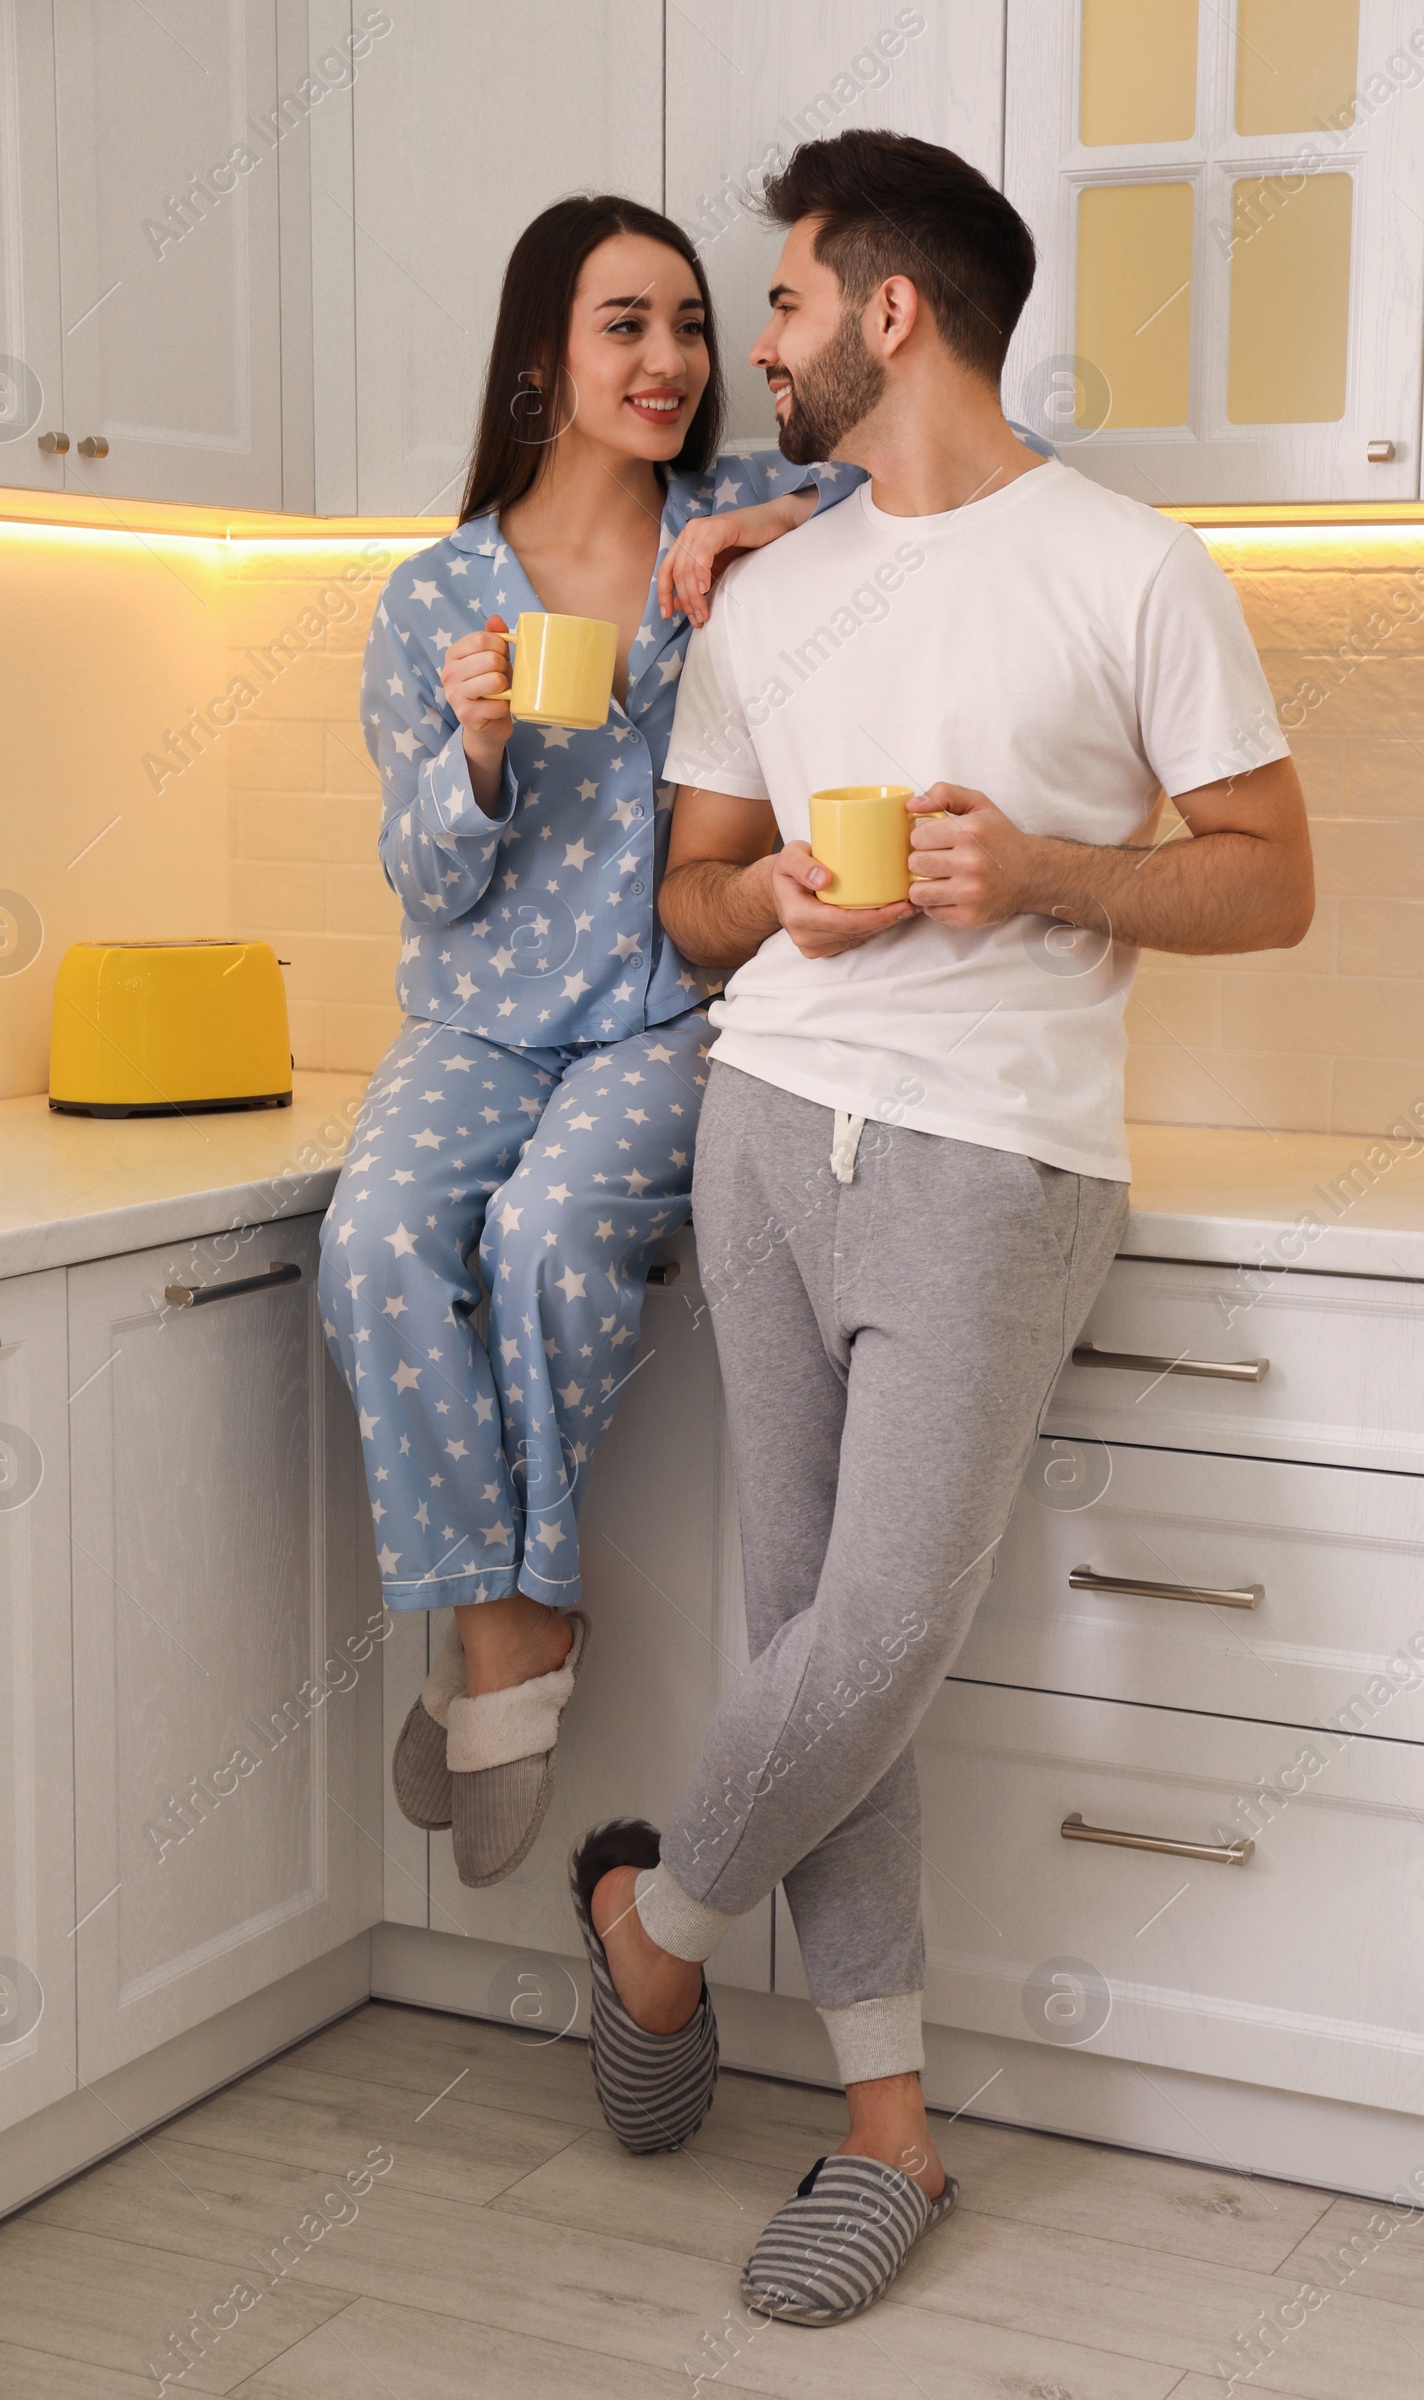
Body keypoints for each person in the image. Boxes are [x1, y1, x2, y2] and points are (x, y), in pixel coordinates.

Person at [568, 129, 1315, 2323]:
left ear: (885, 315)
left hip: (997, 1163)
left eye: (778, 303)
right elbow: (687, 903)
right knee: (813, 1629)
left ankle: (651, 1933)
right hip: (765, 1123)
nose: (752, 348)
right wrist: (772, 898)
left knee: (873, 1639)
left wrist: (1053, 874)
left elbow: (1267, 878)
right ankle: (886, 2134)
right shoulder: (762, 583)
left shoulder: (1131, 566)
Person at [318, 192, 873, 1891]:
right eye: (626, 323)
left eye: (693, 325)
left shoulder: (731, 507)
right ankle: (511, 1621)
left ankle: (511, 1626)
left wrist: (769, 521)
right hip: (478, 1014)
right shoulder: (434, 597)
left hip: (661, 1009)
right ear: (542, 353)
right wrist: (475, 749)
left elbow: (957, 471)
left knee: (552, 1236)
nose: (670, 358)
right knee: (376, 1241)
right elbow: (418, 871)